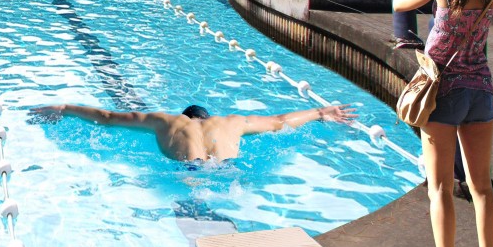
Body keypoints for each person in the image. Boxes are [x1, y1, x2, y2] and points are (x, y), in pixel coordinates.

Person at [393, 0, 493, 247]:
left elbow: (399, 3)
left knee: (440, 188)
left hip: (444, 92)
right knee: (481, 187)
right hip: (481, 89)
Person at [29, 102, 354, 162]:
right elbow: (280, 121)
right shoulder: (233, 122)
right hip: (228, 170)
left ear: (185, 117)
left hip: (189, 171)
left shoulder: (167, 122)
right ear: (207, 117)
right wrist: (320, 113)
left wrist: (65, 108)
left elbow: (109, 117)